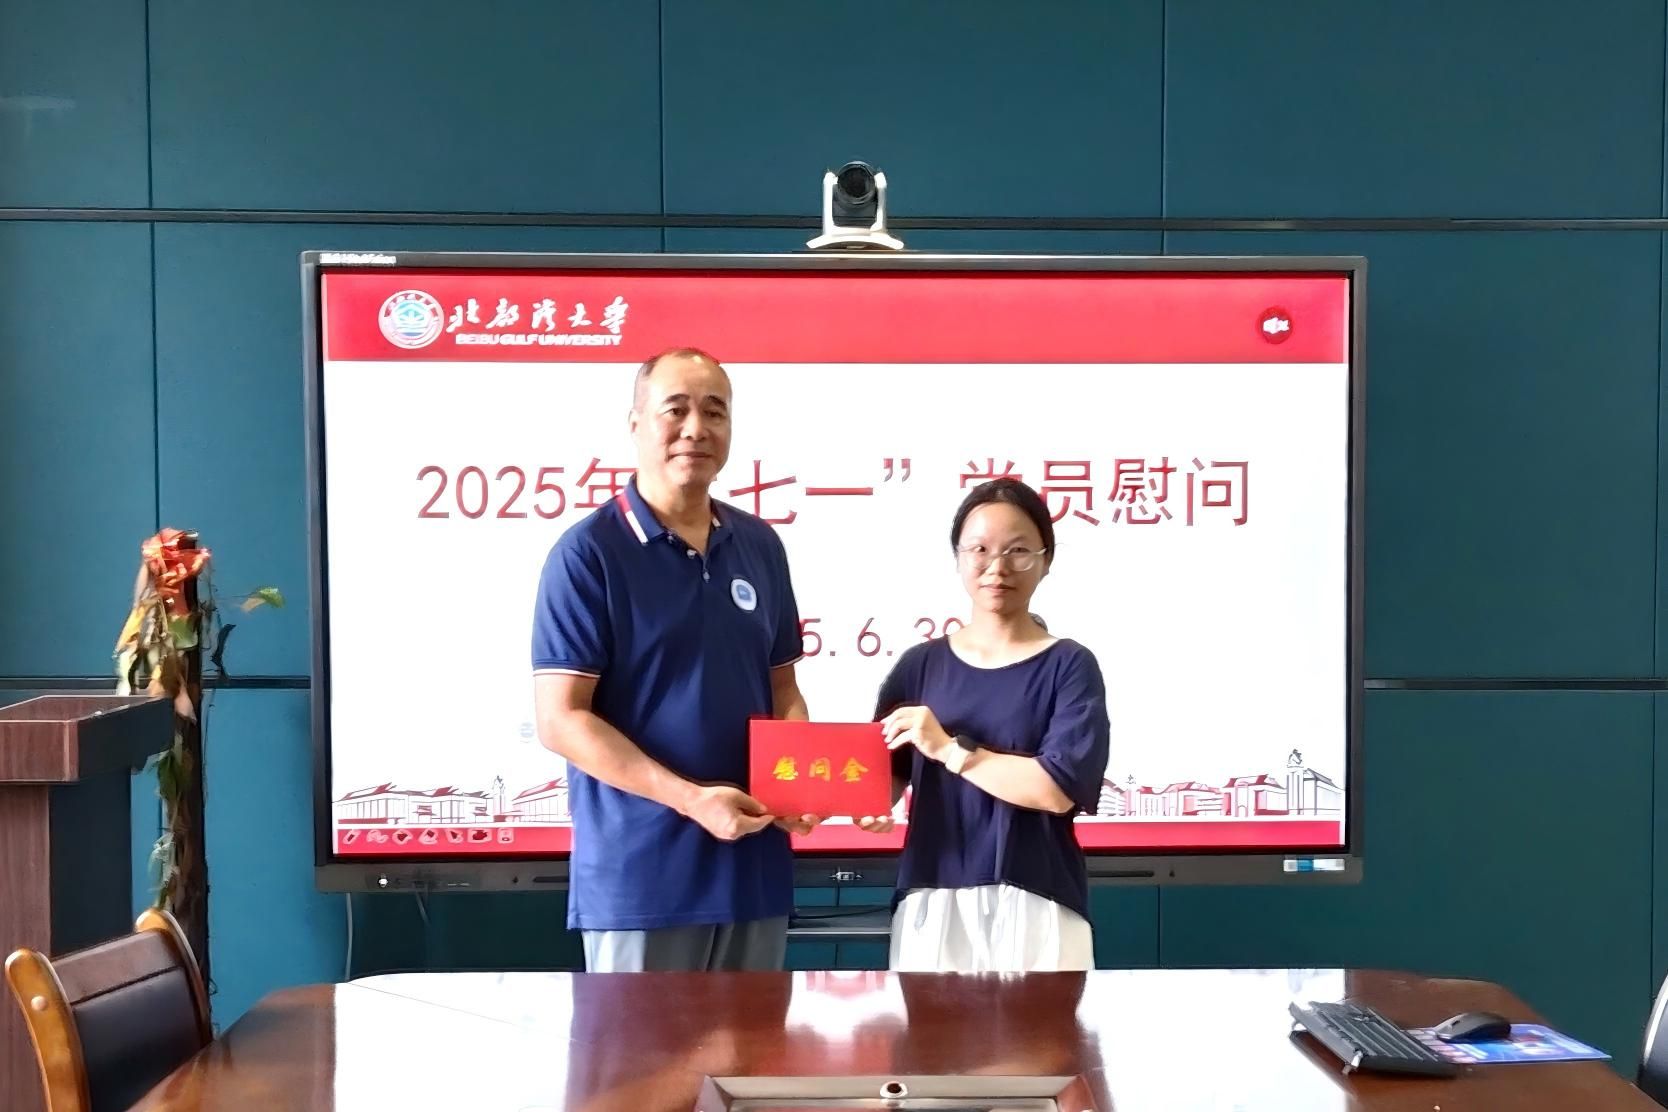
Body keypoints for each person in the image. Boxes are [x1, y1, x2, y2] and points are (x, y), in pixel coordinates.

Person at [530, 347, 819, 971]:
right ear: (636, 423)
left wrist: (798, 782)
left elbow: (783, 689)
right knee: (642, 1042)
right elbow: (561, 720)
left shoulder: (759, 545)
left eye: (715, 411)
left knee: (755, 1039)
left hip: (753, 868)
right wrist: (691, 800)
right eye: (676, 410)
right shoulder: (589, 554)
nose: (696, 428)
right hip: (643, 878)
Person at [873, 477, 1110, 972]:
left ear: (1046, 560)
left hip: (1038, 898)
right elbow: (879, 782)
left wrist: (949, 750)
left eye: (1018, 551)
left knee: (1042, 1026)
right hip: (932, 897)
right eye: (979, 549)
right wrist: (847, 804)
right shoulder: (919, 667)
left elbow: (1055, 791)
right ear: (958, 557)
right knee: (928, 1026)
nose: (997, 567)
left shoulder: (1069, 666)